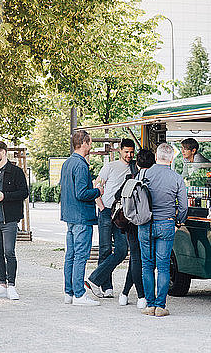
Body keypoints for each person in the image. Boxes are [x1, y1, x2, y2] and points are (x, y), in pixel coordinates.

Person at [139, 143, 188, 317]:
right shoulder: (176, 178)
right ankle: (161, 306)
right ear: (171, 158)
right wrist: (178, 223)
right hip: (166, 224)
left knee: (147, 265)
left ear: (157, 156)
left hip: (145, 224)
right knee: (163, 266)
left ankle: (149, 305)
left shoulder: (144, 174)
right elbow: (183, 206)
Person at [85, 138, 135, 298]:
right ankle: (106, 286)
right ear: (120, 150)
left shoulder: (134, 168)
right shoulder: (110, 167)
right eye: (126, 152)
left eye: (131, 152)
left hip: (122, 215)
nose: (129, 155)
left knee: (122, 250)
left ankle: (94, 279)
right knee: (105, 249)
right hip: (106, 211)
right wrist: (101, 207)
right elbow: (97, 185)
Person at [60, 130, 103, 306]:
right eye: (90, 142)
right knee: (80, 256)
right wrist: (97, 191)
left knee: (70, 256)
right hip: (82, 217)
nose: (91, 146)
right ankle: (79, 294)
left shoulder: (67, 163)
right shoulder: (81, 165)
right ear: (84, 143)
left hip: (69, 216)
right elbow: (81, 193)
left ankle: (68, 292)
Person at [0, 141, 29, 300]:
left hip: (8, 219)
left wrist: (5, 196)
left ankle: (11, 286)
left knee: (9, 252)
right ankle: (1, 285)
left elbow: (24, 193)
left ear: (3, 152)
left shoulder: (16, 171)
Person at [118, 148, 155, 309]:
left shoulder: (130, 179)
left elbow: (117, 196)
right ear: (153, 163)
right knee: (142, 261)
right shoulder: (154, 180)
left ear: (137, 163)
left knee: (135, 259)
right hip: (148, 223)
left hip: (131, 223)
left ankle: (125, 294)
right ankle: (141, 296)